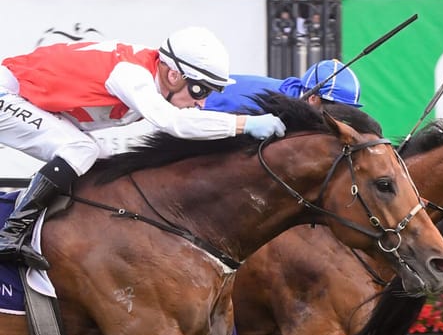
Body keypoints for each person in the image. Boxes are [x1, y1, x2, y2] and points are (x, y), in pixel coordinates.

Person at [0, 25, 286, 270]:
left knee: (104, 161)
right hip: (7, 94)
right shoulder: (131, 74)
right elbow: (173, 124)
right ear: (173, 75)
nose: (201, 102)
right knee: (80, 150)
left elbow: (188, 121)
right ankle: (10, 235)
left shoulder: (152, 72)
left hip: (27, 99)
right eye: (200, 90)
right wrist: (245, 124)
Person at [202, 58, 362, 114]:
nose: (343, 118)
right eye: (339, 110)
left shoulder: (297, 100)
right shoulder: (269, 109)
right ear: (313, 99)